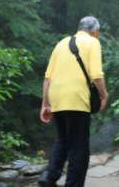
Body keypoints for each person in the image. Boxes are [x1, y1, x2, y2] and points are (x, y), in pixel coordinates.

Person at [39, 16, 108, 187]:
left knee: (63, 139)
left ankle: (49, 175)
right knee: (79, 146)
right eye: (98, 32)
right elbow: (97, 76)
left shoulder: (61, 44)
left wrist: (45, 105)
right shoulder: (93, 43)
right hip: (76, 97)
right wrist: (104, 96)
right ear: (95, 31)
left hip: (56, 96)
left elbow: (47, 78)